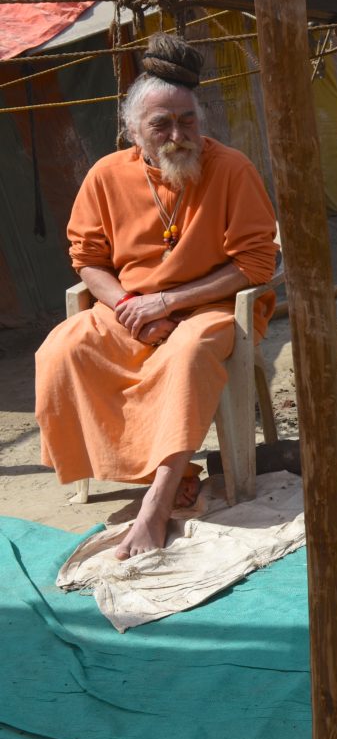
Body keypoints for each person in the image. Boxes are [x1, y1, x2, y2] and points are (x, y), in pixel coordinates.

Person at [35, 34, 278, 561]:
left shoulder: (231, 168)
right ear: (131, 131)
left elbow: (256, 265)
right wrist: (129, 307)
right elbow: (88, 260)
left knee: (187, 356)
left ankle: (157, 505)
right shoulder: (106, 175)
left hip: (212, 307)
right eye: (160, 125)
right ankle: (175, 470)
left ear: (201, 119)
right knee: (62, 350)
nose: (176, 135)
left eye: (187, 120)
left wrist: (168, 305)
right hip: (128, 308)